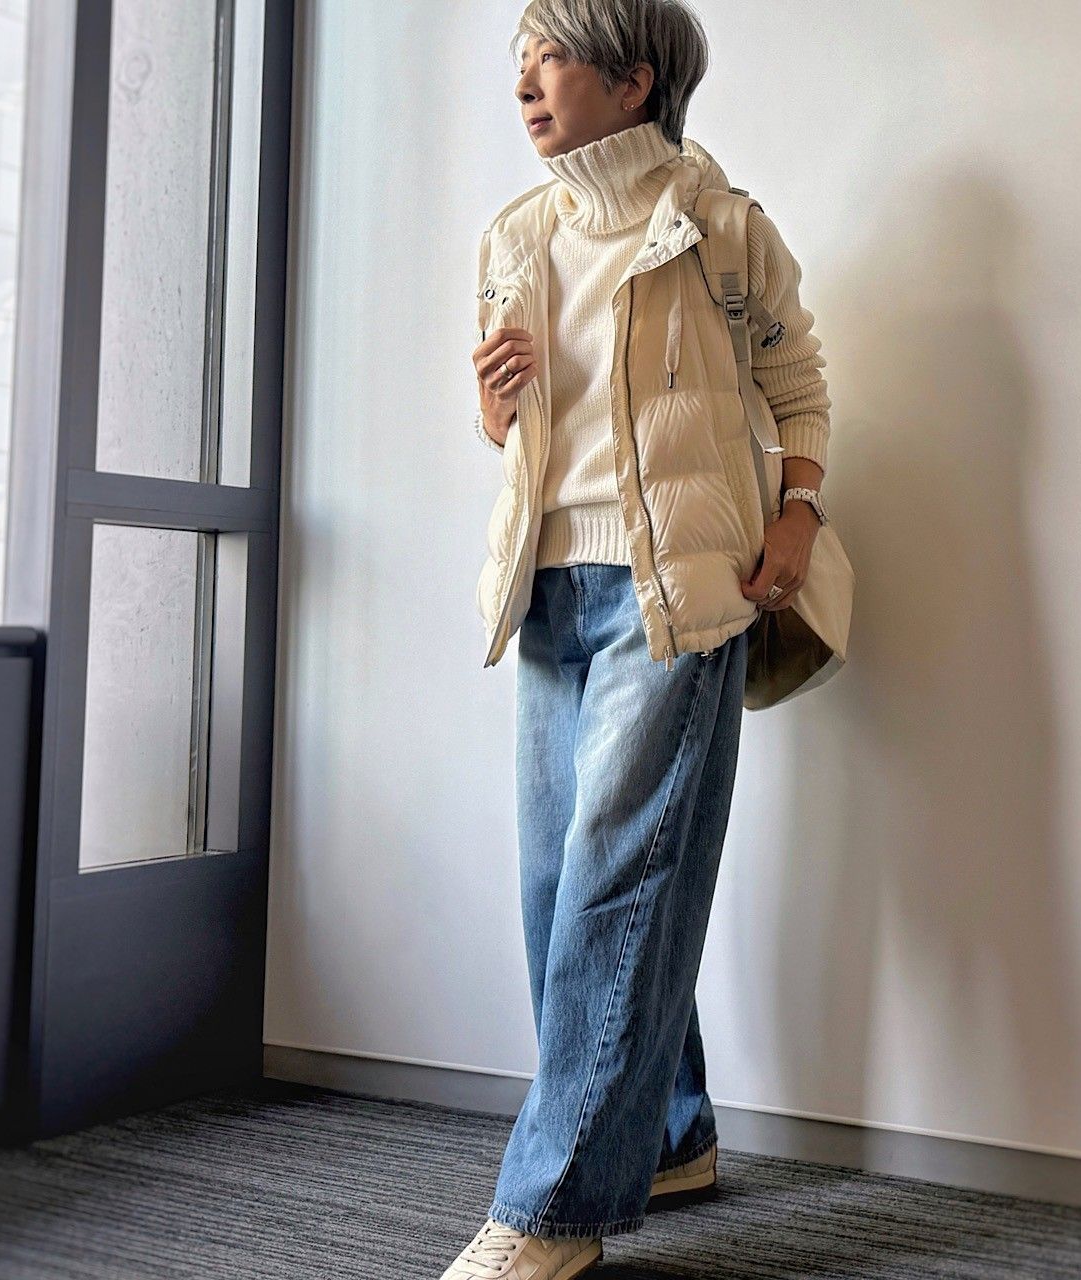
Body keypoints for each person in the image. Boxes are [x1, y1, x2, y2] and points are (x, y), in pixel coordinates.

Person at [446, 2, 832, 1275]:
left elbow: (796, 380)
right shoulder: (516, 235)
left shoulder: (721, 226)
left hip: (675, 590)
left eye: (550, 56)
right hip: (547, 587)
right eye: (517, 61)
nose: (525, 83)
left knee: (617, 879)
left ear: (633, 80)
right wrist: (496, 412)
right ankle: (667, 1133)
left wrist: (798, 510)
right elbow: (529, 437)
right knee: (559, 889)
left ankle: (550, 1211)